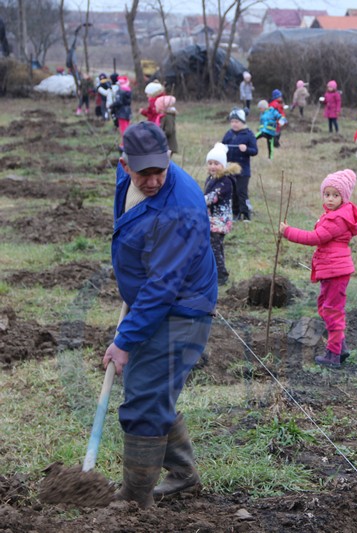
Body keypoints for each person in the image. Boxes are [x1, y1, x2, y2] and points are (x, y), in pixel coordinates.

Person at [102, 121, 217, 509]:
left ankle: (135, 500)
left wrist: (124, 340)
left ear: (169, 160)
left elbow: (163, 287)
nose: (152, 181)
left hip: (181, 309)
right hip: (157, 304)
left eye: (159, 171)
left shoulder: (180, 208)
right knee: (148, 390)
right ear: (125, 164)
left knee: (144, 400)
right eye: (143, 173)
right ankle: (183, 474)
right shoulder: (128, 177)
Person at [280, 169, 357, 368]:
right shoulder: (334, 214)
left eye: (335, 195)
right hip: (332, 270)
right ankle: (340, 347)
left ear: (343, 197)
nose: (330, 199)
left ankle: (333, 355)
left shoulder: (337, 219)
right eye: (327, 194)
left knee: (332, 311)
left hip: (335, 271)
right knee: (325, 307)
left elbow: (314, 238)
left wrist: (288, 232)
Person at [204, 142, 238, 286]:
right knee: (214, 246)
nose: (212, 166)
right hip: (212, 220)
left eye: (216, 163)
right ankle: (213, 271)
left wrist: (196, 200)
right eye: (210, 163)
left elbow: (213, 197)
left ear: (223, 165)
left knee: (215, 248)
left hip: (220, 221)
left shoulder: (225, 182)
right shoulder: (211, 179)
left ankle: (221, 275)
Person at [222, 108, 258, 221]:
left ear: (242, 122)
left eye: (236, 122)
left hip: (243, 170)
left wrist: (246, 149)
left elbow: (254, 151)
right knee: (232, 192)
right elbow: (222, 146)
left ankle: (246, 215)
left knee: (241, 192)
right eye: (232, 122)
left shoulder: (249, 134)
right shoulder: (228, 134)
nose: (234, 124)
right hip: (230, 168)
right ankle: (235, 213)